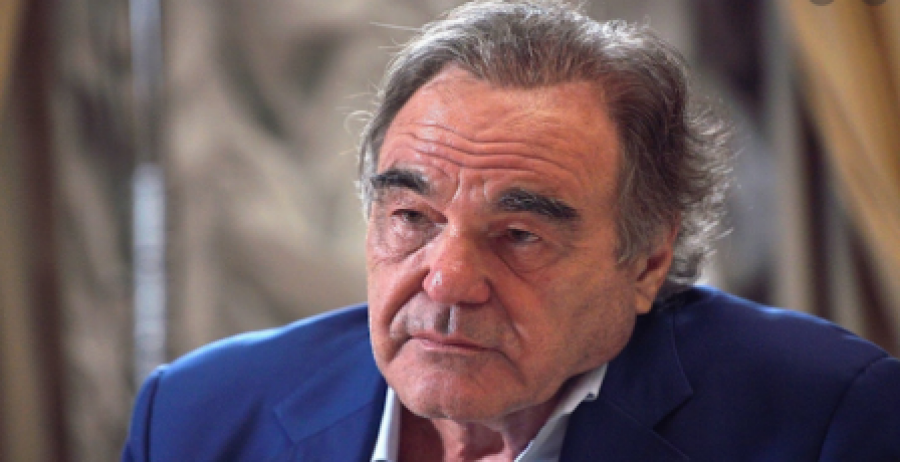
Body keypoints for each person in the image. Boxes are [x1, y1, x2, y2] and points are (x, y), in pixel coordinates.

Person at [122, 1, 900, 461]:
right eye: (412, 218)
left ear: (647, 259)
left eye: (520, 234)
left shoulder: (824, 418)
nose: (447, 280)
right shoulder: (197, 416)